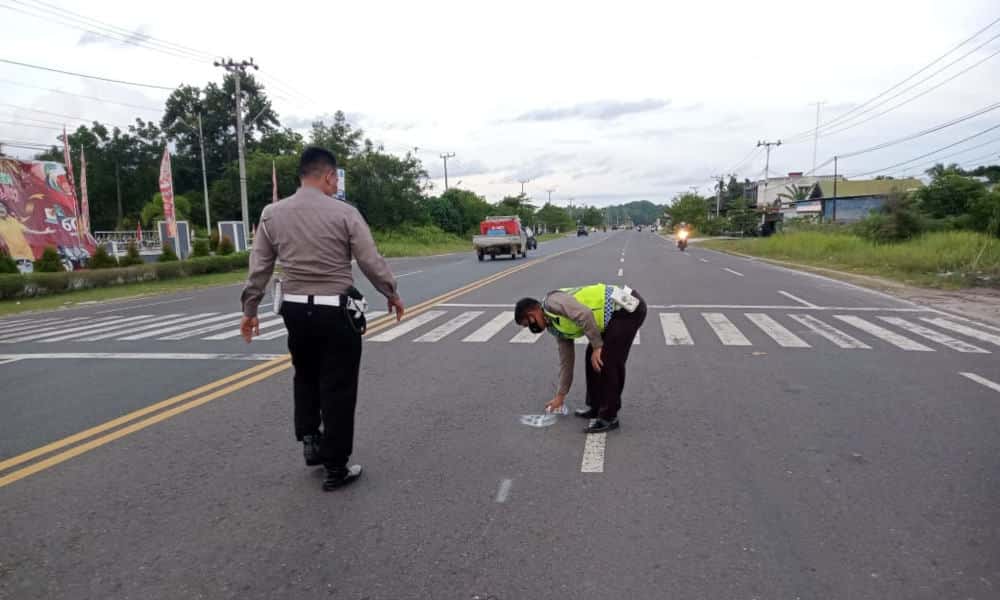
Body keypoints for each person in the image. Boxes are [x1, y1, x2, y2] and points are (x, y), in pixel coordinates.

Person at [240, 146, 405, 491]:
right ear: (328, 175)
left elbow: (260, 267)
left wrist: (250, 309)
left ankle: (311, 440)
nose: (334, 186)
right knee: (338, 386)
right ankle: (336, 467)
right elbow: (369, 260)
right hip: (336, 310)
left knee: (306, 375)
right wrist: (390, 292)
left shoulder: (272, 214)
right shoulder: (345, 213)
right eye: (334, 180)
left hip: (295, 311)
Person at [514, 283, 647, 433]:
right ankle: (596, 407)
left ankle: (609, 416)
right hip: (613, 318)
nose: (532, 327)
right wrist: (560, 395)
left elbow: (584, 314)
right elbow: (566, 361)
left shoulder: (552, 302)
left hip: (627, 307)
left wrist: (597, 346)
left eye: (529, 322)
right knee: (591, 357)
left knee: (607, 360)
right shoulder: (554, 327)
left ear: (533, 311)